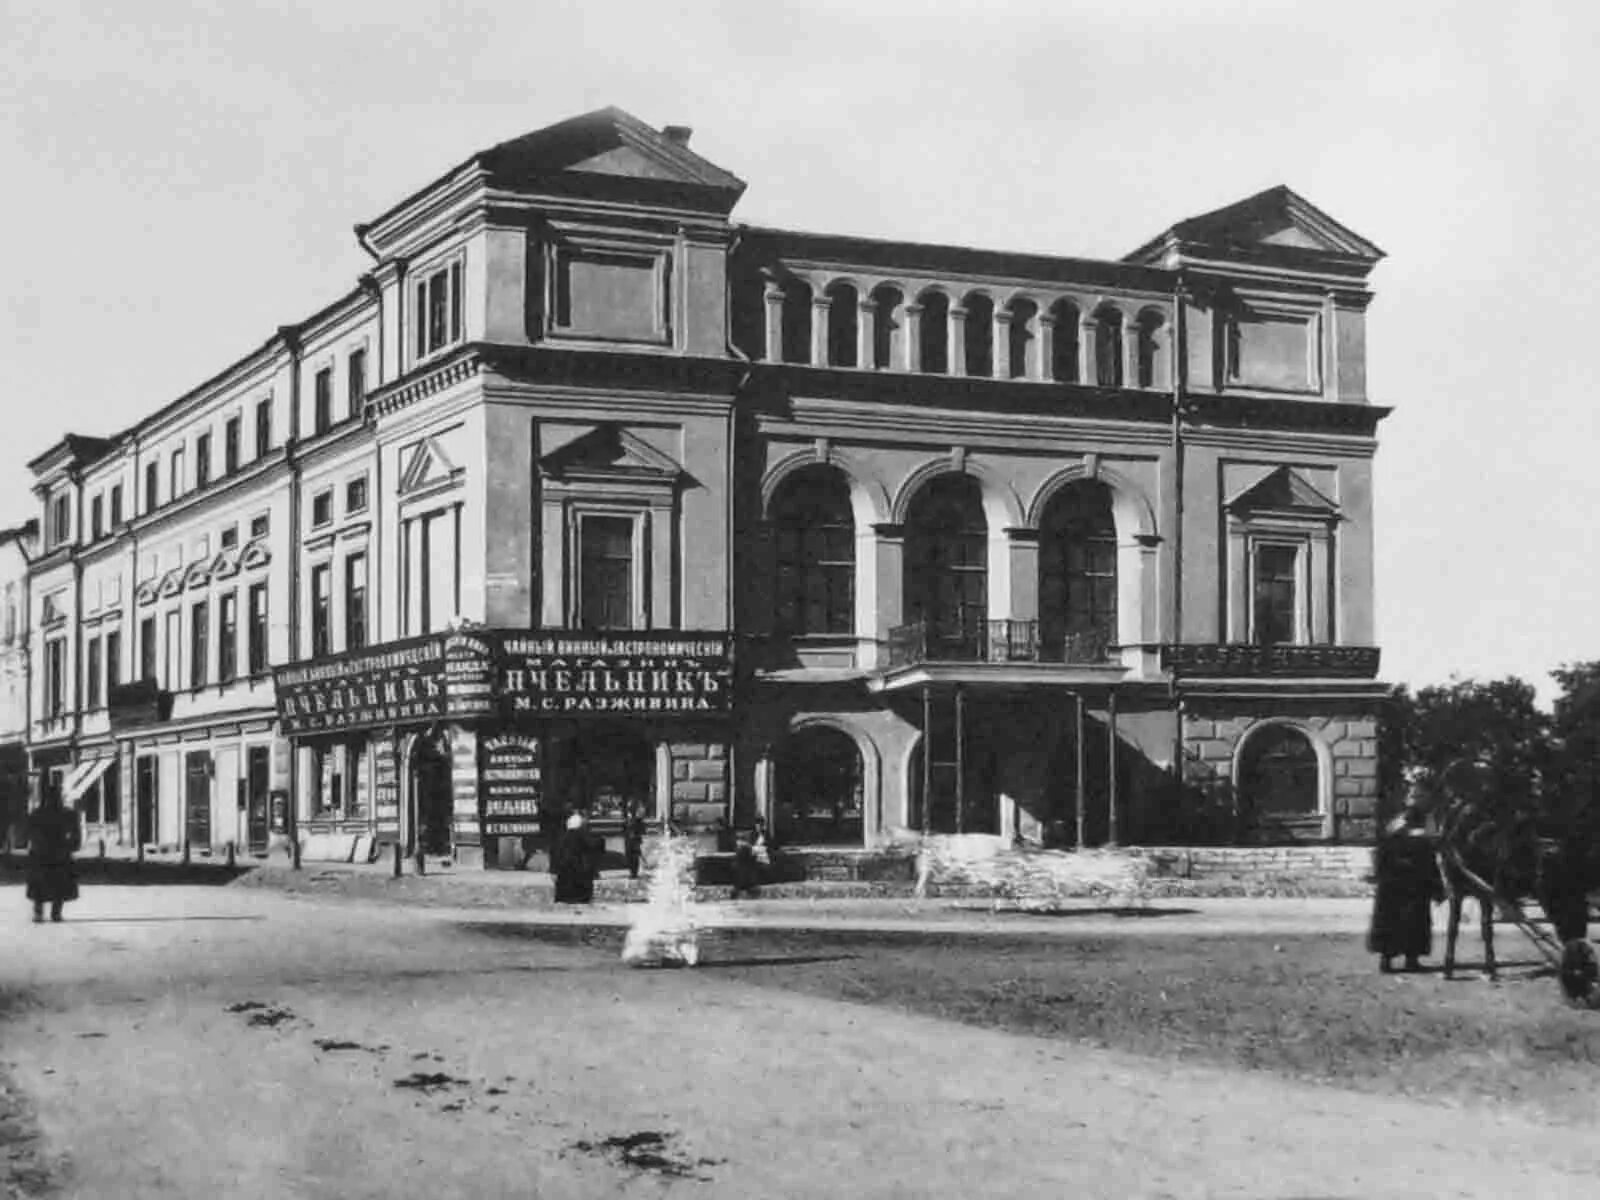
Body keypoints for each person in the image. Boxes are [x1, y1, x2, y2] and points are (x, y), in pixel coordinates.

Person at [1367, 803, 1443, 973]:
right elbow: (1430, 867)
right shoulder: (1423, 841)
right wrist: (1438, 890)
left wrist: (1380, 876)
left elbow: (1380, 859)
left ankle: (1386, 960)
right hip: (1414, 889)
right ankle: (1411, 960)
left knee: (1390, 923)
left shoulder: (1390, 835)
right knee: (1414, 924)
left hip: (1391, 888)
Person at [26, 790, 82, 924]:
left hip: (44, 853)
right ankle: (53, 913)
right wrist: (72, 846)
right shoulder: (67, 814)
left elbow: (28, 833)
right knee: (57, 884)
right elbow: (76, 834)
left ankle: (42, 912)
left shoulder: (37, 814)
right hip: (58, 853)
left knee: (44, 884)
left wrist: (34, 846)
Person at [551, 811, 599, 904]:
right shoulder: (583, 838)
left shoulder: (561, 839)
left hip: (564, 883)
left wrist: (554, 871)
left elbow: (556, 856)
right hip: (581, 881)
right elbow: (591, 852)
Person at [623, 809, 647, 881]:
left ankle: (634, 873)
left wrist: (636, 836)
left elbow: (643, 832)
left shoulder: (640, 822)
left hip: (634, 842)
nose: (640, 815)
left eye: (641, 814)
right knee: (630, 857)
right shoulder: (630, 821)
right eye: (639, 813)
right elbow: (626, 830)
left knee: (634, 858)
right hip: (629, 842)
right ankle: (632, 873)